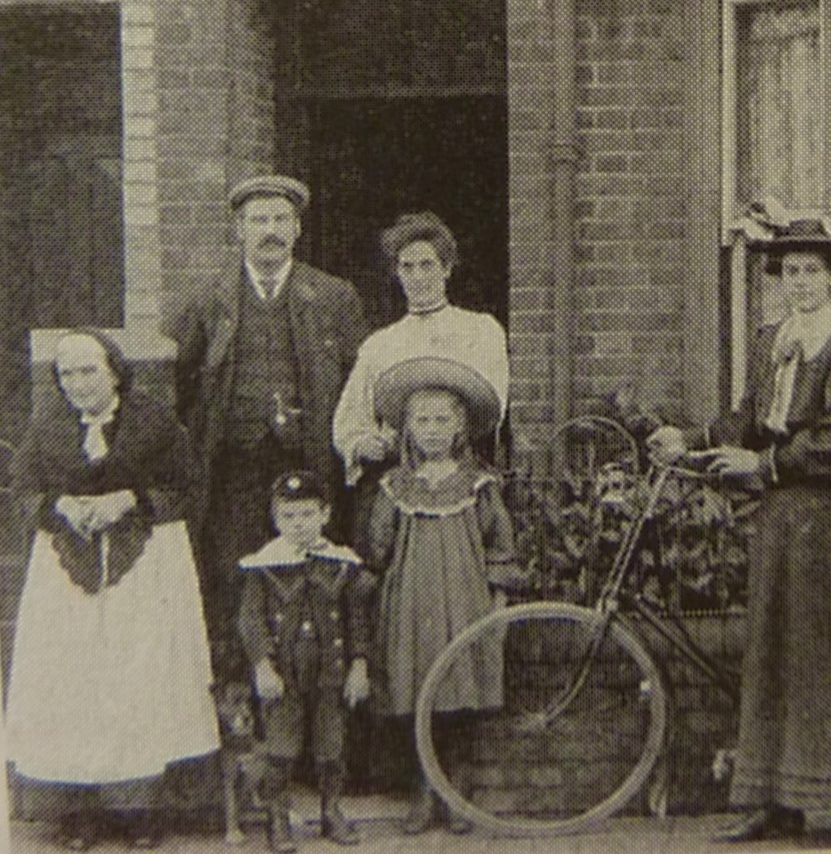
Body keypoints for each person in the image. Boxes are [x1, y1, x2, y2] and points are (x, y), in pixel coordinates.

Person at [651, 197, 831, 848]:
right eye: (790, 271)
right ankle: (776, 801)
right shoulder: (774, 341)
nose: (799, 282)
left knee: (827, 660)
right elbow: (746, 420)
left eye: (811, 270)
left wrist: (765, 465)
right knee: (774, 655)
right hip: (782, 523)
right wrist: (688, 441)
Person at [5, 331, 218, 849]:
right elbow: (23, 489)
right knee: (76, 682)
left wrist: (131, 498)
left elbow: (190, 487)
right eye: (68, 374)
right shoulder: (47, 429)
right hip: (65, 573)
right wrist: (59, 506)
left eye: (89, 372)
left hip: (145, 568)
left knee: (137, 678)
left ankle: (140, 809)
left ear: (115, 372)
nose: (78, 384)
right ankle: (79, 810)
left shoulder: (156, 424)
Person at [166, 174, 367, 672]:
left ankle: (309, 697)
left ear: (298, 229)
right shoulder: (209, 302)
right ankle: (236, 689)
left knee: (310, 573)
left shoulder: (333, 297)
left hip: (307, 463)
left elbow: (359, 380)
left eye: (281, 219)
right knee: (232, 569)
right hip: (235, 467)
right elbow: (176, 382)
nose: (270, 230)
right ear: (238, 230)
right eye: (258, 220)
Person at [362, 360, 518, 835]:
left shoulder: (479, 486)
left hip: (463, 602)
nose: (432, 431)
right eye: (422, 421)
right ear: (407, 427)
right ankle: (424, 792)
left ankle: (456, 792)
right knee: (417, 694)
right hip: (409, 605)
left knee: (458, 695)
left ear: (461, 428)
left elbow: (500, 547)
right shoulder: (394, 487)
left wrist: (499, 600)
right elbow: (378, 549)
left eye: (442, 421)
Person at [237, 470, 375, 854]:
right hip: (283, 675)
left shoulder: (341, 564)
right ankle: (277, 818)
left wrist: (359, 665)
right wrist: (263, 665)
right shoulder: (263, 566)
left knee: (332, 745)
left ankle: (331, 811)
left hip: (331, 672)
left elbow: (356, 619)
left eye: (307, 515)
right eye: (290, 517)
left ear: (325, 514)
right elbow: (250, 620)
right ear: (277, 519)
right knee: (280, 747)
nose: (299, 525)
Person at [332, 212, 509, 488]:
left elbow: (490, 409)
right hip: (398, 476)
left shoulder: (481, 331)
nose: (418, 277)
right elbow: (351, 420)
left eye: (427, 265)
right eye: (407, 267)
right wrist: (363, 443)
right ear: (397, 273)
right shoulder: (380, 344)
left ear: (446, 268)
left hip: (464, 475)